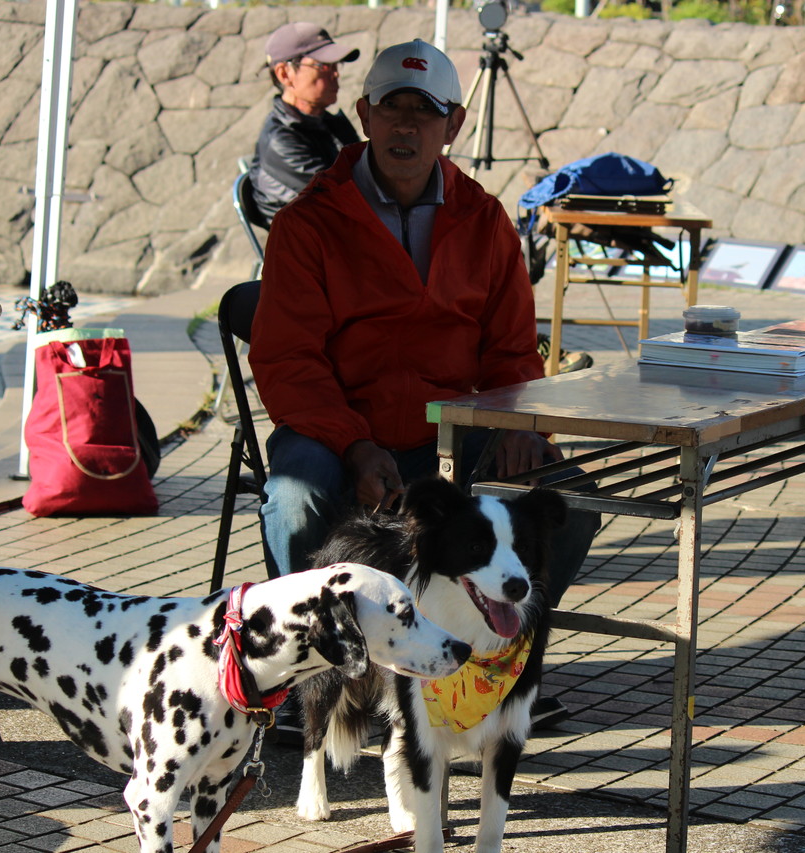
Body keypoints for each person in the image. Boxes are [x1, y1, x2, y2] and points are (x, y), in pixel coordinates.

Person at [249, 39, 600, 730]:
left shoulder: (485, 220)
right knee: (294, 497)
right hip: (338, 429)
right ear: (364, 113)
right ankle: (316, 676)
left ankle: (486, 668)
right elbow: (288, 359)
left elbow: (509, 350)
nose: (405, 126)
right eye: (390, 109)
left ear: (455, 125)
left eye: (424, 112)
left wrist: (516, 423)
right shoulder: (309, 222)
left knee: (568, 501)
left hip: (454, 432)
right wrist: (353, 443)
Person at [247, 22, 362, 224]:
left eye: (337, 65)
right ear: (284, 74)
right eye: (323, 65)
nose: (336, 74)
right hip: (314, 250)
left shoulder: (330, 123)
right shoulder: (281, 140)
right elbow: (343, 202)